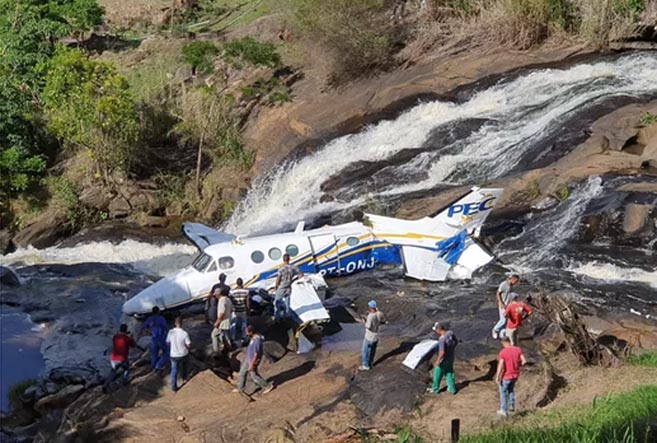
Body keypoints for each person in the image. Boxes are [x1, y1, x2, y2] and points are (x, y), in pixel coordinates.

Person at [235, 325, 274, 395]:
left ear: (251, 332)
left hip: (252, 360)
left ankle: (267, 386)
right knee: (242, 372)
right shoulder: (253, 338)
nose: (246, 334)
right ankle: (240, 388)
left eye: (247, 332)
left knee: (254, 376)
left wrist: (252, 364)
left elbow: (256, 354)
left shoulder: (257, 340)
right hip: (248, 359)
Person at [103, 324, 141, 393]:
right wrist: (130, 337)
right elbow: (133, 345)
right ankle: (124, 381)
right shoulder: (127, 338)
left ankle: (106, 384)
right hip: (122, 358)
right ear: (126, 330)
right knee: (126, 369)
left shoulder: (115, 337)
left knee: (113, 372)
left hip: (113, 358)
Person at [495, 336, 527, 417]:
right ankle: (511, 405)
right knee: (511, 389)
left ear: (503, 343)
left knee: (503, 392)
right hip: (515, 375)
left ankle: (503, 410)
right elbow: (524, 361)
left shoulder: (503, 352)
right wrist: (518, 365)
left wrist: (497, 376)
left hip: (507, 375)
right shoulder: (518, 349)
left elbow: (501, 365)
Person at [429, 322, 458, 395]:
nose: (436, 332)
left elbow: (442, 352)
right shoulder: (450, 333)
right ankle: (452, 389)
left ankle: (435, 389)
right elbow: (456, 341)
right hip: (451, 357)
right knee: (449, 372)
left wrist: (438, 361)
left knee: (437, 373)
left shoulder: (442, 339)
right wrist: (451, 349)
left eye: (436, 330)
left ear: (438, 329)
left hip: (443, 359)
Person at [273, 254, 303, 321]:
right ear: (289, 259)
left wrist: (276, 286)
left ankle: (277, 318)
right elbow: (301, 274)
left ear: (283, 260)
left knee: (277, 303)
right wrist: (293, 280)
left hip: (281, 287)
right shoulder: (293, 267)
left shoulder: (281, 268)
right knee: (287, 303)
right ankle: (286, 317)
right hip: (288, 286)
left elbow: (278, 278)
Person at [359, 300, 386, 371]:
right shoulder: (380, 313)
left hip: (369, 336)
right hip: (376, 336)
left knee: (365, 351)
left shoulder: (370, 316)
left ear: (370, 307)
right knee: (372, 351)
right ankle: (370, 363)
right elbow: (383, 321)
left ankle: (365, 365)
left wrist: (364, 322)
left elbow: (368, 326)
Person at [167, 316, 191, 393]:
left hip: (174, 354)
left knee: (174, 370)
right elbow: (188, 344)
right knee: (185, 366)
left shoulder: (170, 332)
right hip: (183, 353)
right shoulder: (184, 333)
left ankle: (173, 387)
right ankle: (184, 378)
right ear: (182, 323)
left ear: (175, 323)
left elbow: (167, 342)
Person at [492, 275, 520, 339]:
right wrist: (501, 303)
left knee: (507, 321)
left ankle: (502, 334)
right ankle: (495, 329)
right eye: (516, 281)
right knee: (503, 320)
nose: (516, 283)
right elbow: (498, 293)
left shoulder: (511, 286)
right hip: (503, 305)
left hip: (508, 305)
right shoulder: (504, 284)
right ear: (513, 279)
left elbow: (509, 294)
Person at [212, 287, 233, 354]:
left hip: (222, 322)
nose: (215, 296)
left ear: (218, 294)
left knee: (214, 335)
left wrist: (217, 322)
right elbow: (231, 310)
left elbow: (222, 313)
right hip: (228, 320)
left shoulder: (221, 300)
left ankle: (216, 351)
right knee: (226, 335)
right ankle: (229, 347)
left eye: (215, 295)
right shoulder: (228, 299)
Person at [230, 277, 251, 345]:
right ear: (242, 283)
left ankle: (232, 337)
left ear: (236, 283)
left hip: (235, 309)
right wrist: (248, 310)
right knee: (244, 323)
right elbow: (247, 302)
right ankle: (244, 336)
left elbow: (231, 300)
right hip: (243, 309)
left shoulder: (232, 291)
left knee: (233, 324)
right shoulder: (246, 291)